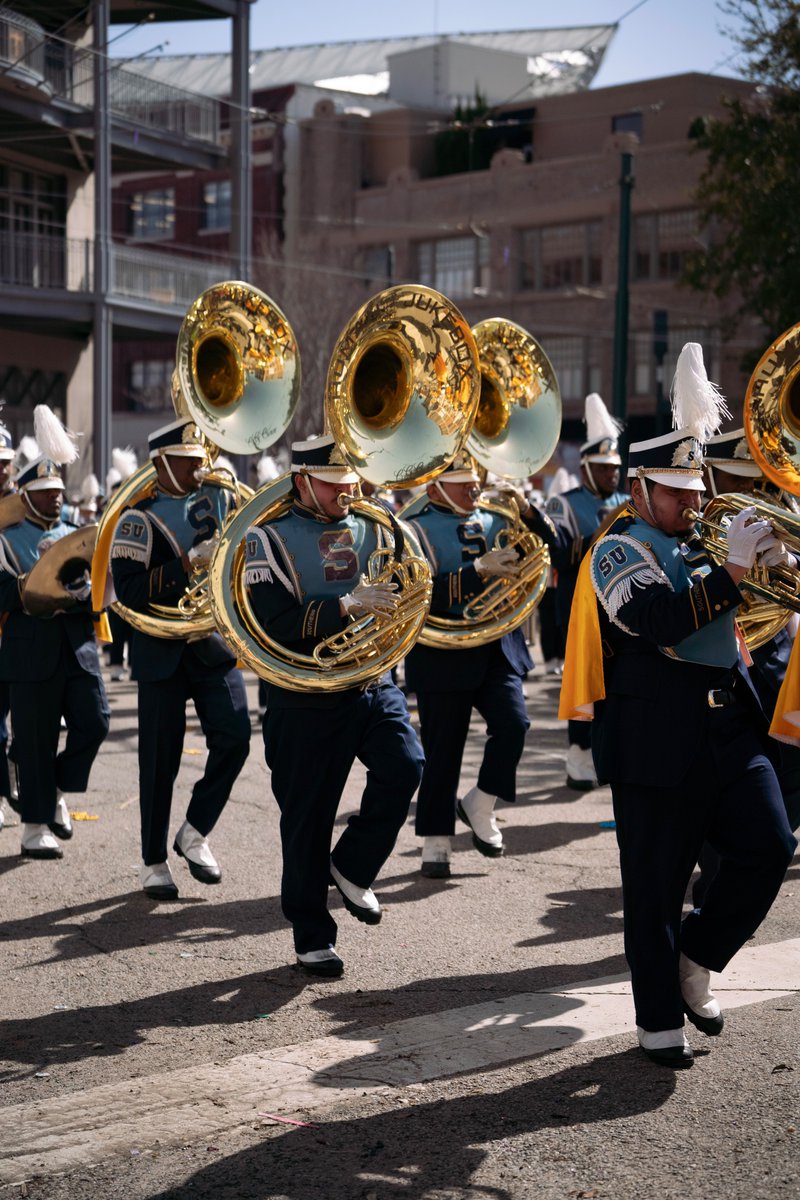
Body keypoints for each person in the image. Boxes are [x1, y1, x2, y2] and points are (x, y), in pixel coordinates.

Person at [559, 344, 797, 1068]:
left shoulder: (700, 536)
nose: (694, 502)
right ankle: (658, 1018)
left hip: (731, 725)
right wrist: (733, 571)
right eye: (676, 492)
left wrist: (774, 564)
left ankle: (698, 956)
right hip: (658, 738)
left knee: (769, 846)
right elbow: (660, 622)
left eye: (695, 489)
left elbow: (746, 613)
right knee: (655, 888)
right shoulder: (615, 550)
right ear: (639, 490)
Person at [245, 434, 424, 978]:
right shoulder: (266, 539)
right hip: (303, 694)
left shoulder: (379, 524)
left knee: (407, 764)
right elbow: (273, 622)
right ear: (302, 480)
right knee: (308, 816)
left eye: (352, 482)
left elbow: (407, 586)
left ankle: (350, 866)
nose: (348, 492)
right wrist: (344, 605)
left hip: (371, 679)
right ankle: (311, 933)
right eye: (334, 483)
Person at [109, 416, 251, 900]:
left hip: (210, 645)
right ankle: (153, 860)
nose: (200, 466)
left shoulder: (220, 498)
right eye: (189, 461)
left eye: (200, 459)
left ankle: (194, 830)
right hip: (160, 651)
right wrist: (186, 563)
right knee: (159, 761)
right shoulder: (136, 517)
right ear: (161, 463)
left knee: (235, 738)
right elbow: (127, 592)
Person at [403, 453, 557, 879]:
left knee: (514, 725)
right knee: (442, 750)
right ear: (435, 488)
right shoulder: (412, 529)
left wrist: (527, 508)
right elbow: (416, 595)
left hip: (497, 647)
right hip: (442, 653)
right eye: (462, 483)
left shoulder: (496, 516)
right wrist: (475, 572)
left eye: (475, 481)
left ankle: (481, 801)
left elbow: (555, 545)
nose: (474, 488)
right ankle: (436, 840)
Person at [0, 405, 110, 859]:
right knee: (35, 736)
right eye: (44, 492)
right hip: (30, 648)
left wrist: (85, 593)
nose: (55, 498)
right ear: (24, 496)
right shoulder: (6, 537)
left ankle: (55, 787)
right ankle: (33, 826)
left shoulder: (77, 533)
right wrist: (34, 586)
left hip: (78, 648)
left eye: (58, 490)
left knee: (96, 723)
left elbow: (104, 591)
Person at [546, 394, 628, 789]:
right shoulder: (563, 504)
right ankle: (578, 753)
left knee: (614, 683)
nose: (612, 474)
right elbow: (561, 555)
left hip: (618, 608)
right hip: (577, 606)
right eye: (603, 468)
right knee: (580, 679)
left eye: (614, 468)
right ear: (585, 467)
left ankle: (605, 751)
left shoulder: (627, 501)